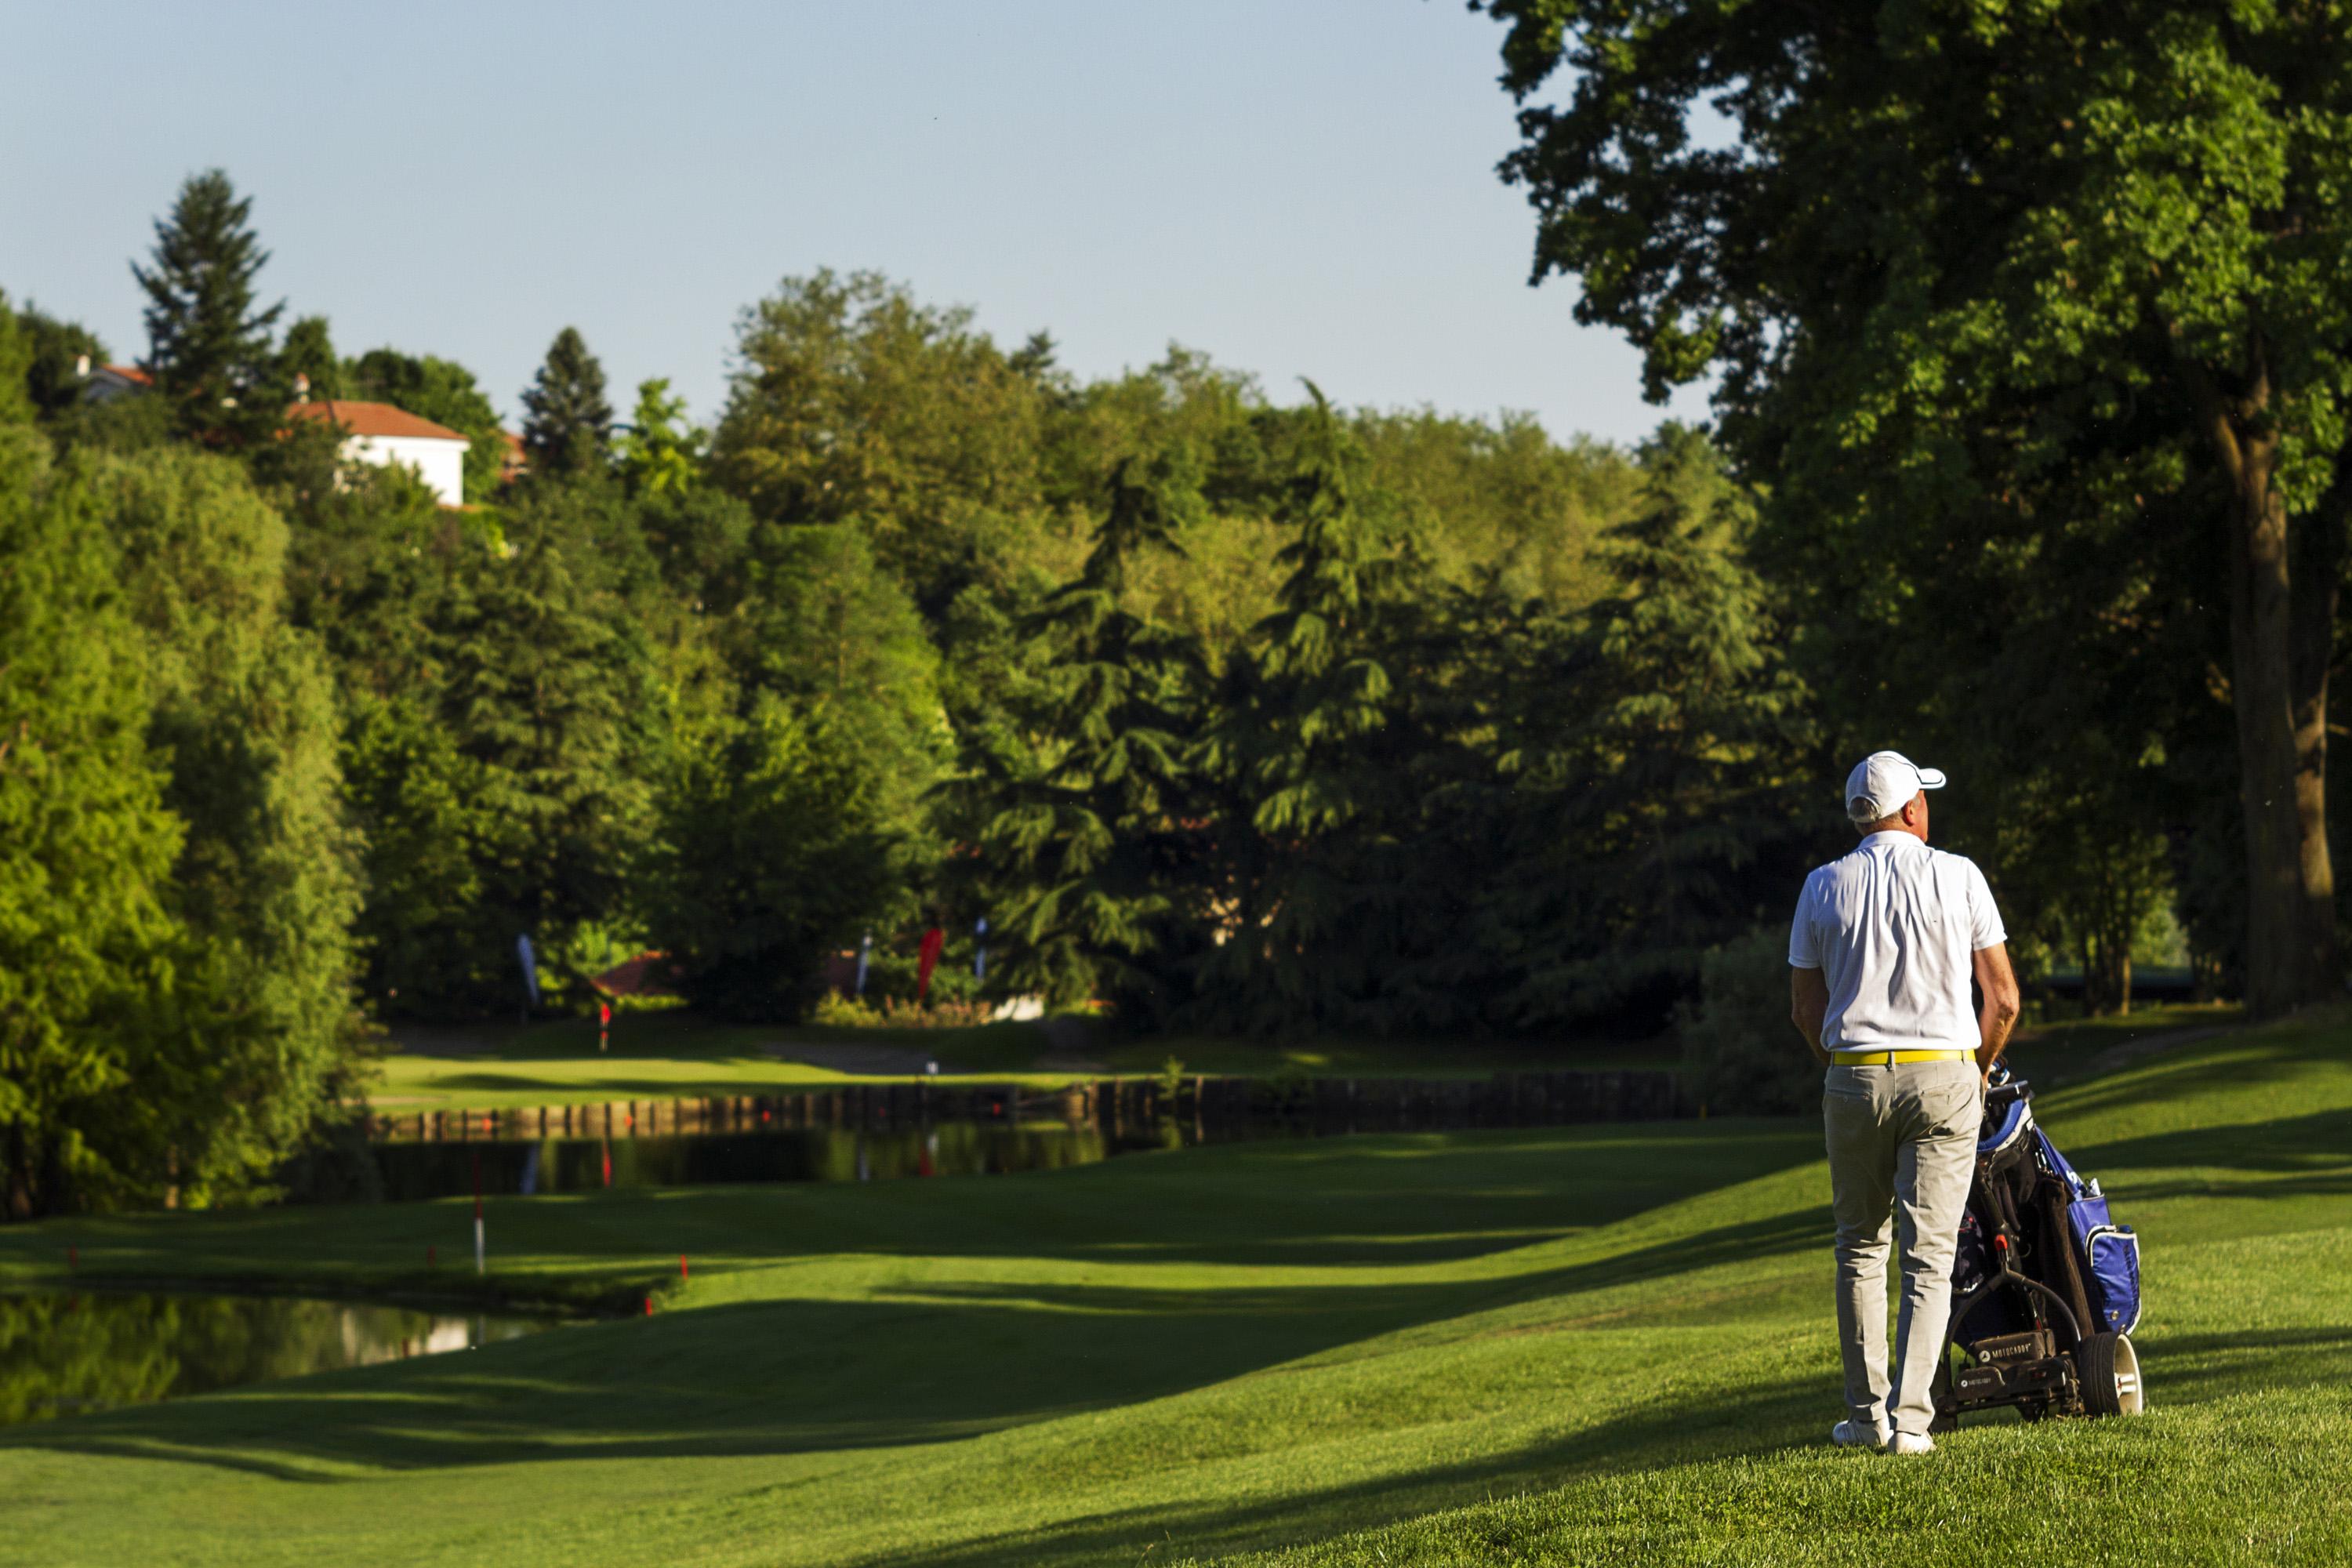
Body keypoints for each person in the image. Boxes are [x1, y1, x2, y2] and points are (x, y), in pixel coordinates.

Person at [1788, 750, 2020, 1455]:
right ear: (1913, 808)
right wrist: (1976, 1072)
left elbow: (1805, 1010)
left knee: (1859, 1248)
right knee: (1930, 1255)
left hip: (1853, 1075)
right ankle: (1912, 1425)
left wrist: (1845, 1072)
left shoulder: (1822, 886)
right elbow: (2003, 998)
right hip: (1944, 1075)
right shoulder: (1959, 875)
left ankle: (1866, 1420)